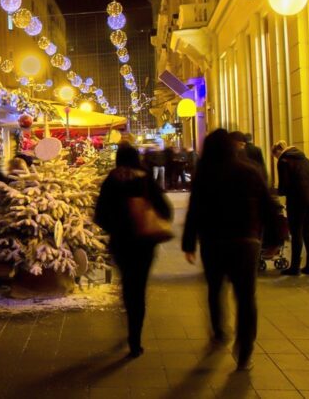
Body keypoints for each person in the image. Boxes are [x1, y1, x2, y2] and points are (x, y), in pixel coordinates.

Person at [182, 129, 280, 371]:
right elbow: (269, 207)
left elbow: (194, 211)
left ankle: (219, 332)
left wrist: (189, 243)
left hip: (214, 242)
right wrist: (276, 238)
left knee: (216, 289)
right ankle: (245, 349)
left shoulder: (205, 175)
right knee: (246, 296)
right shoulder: (249, 171)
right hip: (246, 242)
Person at [94, 143, 172, 359]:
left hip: (121, 243)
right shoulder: (146, 179)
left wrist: (116, 227)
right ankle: (135, 339)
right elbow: (166, 209)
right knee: (139, 288)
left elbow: (99, 214)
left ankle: (129, 316)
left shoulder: (111, 180)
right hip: (144, 243)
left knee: (129, 286)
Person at [272, 141, 309, 276]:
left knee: (296, 233)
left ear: (277, 152)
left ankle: (294, 267)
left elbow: (284, 186)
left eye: (275, 156)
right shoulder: (304, 158)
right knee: (307, 231)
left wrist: (274, 191)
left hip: (298, 200)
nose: (276, 158)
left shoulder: (283, 160)